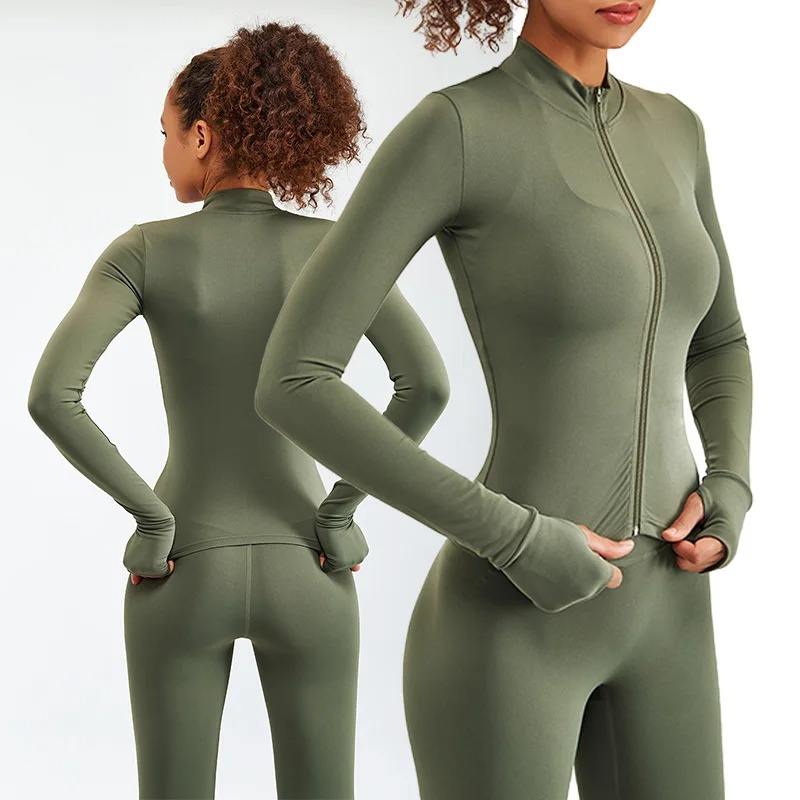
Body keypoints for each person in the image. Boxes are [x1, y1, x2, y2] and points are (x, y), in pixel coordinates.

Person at [253, 2, 753, 798]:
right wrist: (512, 538)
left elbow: (718, 341)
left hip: (673, 617)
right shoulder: (458, 129)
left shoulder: (677, 131)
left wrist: (730, 484)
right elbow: (296, 380)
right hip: (508, 628)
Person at [27, 22, 449, 800]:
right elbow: (426, 385)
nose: (163, 152)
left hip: (181, 563)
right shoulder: (331, 248)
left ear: (201, 135)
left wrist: (152, 520)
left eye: (165, 134)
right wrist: (339, 511)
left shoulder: (142, 251)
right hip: (310, 564)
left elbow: (53, 395)